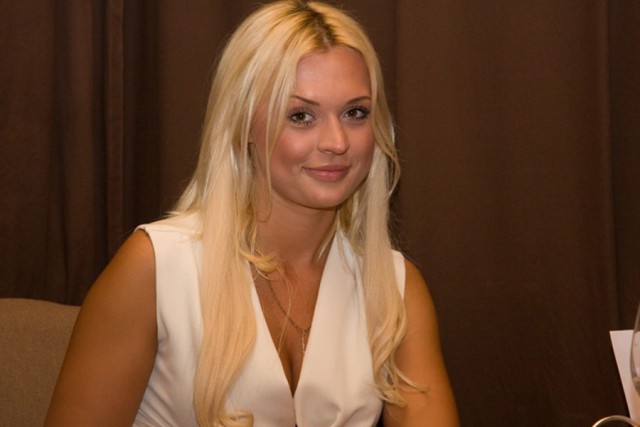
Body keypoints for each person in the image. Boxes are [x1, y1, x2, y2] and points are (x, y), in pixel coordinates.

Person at [45, 1, 459, 426]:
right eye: (301, 115)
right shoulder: (155, 268)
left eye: (355, 113)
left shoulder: (394, 287)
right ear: (243, 124)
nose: (337, 142)